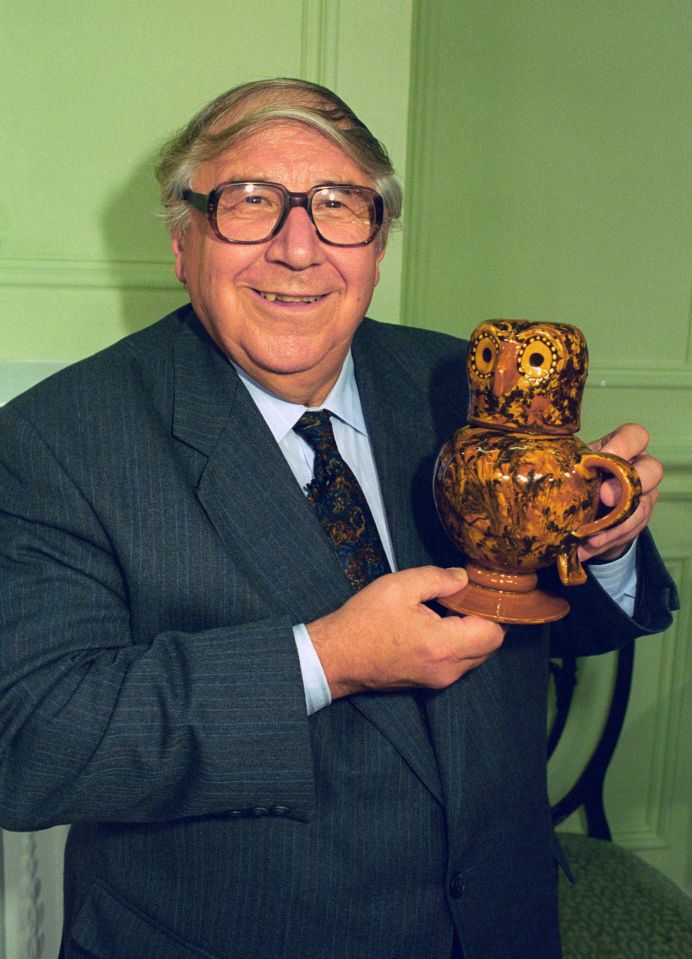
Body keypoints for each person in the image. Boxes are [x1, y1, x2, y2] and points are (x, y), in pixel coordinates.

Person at [0, 78, 677, 959]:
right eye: (249, 203)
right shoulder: (57, 439)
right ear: (181, 240)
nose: (298, 248)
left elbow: (557, 623)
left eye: (337, 205)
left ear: (378, 242)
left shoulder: (462, 388)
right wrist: (324, 662)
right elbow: (32, 740)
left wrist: (603, 543)